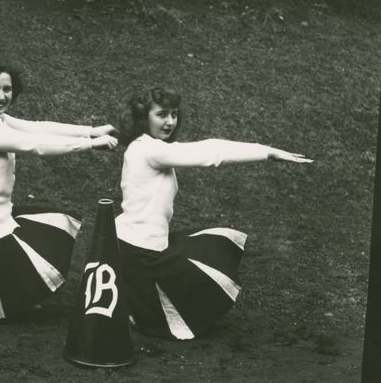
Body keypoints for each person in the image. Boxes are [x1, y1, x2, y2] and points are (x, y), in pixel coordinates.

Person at [114, 87, 313, 340]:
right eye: (162, 115)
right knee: (208, 261)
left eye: (174, 114)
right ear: (144, 118)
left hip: (133, 244)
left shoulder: (146, 147)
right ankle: (134, 304)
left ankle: (132, 301)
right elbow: (211, 152)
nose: (170, 122)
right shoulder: (149, 150)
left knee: (209, 247)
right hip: (139, 252)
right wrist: (268, 152)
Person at [0, 57, 118, 322]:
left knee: (51, 226)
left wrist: (91, 131)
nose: (2, 96)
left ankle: (14, 292)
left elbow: (38, 128)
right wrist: (90, 145)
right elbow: (34, 144)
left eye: (7, 89)